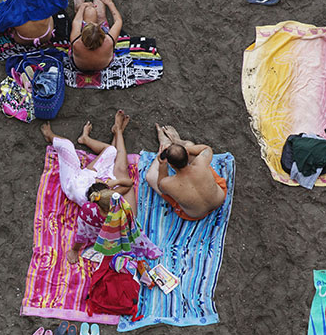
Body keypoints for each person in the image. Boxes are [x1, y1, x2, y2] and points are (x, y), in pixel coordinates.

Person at [60, 110, 157, 264]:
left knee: (119, 167)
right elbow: (128, 184)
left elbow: (81, 234)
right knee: (121, 171)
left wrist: (74, 249)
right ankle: (117, 132)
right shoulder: (122, 208)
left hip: (109, 233)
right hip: (120, 230)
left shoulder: (89, 210)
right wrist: (113, 183)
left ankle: (116, 133)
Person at [146, 125, 227, 221]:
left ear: (170, 165)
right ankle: (177, 141)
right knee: (190, 145)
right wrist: (185, 149)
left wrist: (162, 164)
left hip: (196, 215)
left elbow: (160, 186)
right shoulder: (200, 163)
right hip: (219, 199)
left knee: (150, 176)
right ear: (187, 155)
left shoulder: (168, 184)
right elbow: (206, 149)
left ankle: (165, 145)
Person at [68, 0, 121, 71]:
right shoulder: (109, 41)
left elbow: (76, 22)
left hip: (79, 66)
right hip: (103, 66)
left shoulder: (76, 42)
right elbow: (118, 21)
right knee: (100, 17)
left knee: (90, 12)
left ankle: (78, 8)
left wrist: (82, 7)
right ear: (103, 36)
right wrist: (110, 3)